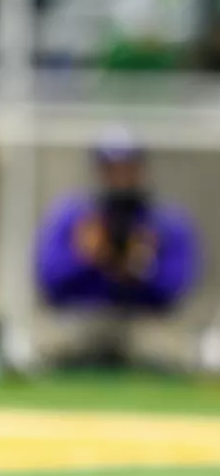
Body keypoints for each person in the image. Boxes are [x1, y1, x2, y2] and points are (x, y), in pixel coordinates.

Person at [33, 128, 201, 372]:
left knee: (174, 352)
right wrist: (84, 256)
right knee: (46, 347)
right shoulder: (73, 216)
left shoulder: (163, 221)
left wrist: (142, 268)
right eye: (111, 169)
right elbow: (48, 283)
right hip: (84, 321)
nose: (120, 177)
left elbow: (176, 291)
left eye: (127, 167)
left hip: (143, 325)